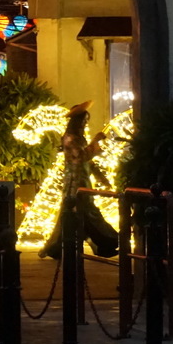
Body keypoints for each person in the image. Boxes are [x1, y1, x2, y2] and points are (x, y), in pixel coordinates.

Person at [40, 102, 119, 260]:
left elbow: (87, 162)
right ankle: (105, 243)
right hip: (75, 182)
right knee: (84, 212)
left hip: (82, 180)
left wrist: (101, 177)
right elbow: (81, 157)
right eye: (83, 121)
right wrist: (95, 141)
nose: (85, 124)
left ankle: (103, 244)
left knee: (84, 213)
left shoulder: (78, 138)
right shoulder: (71, 138)